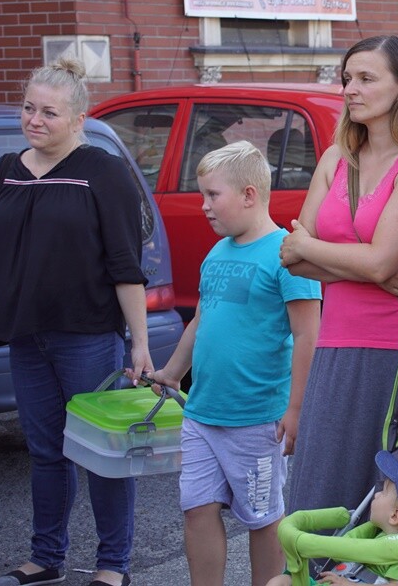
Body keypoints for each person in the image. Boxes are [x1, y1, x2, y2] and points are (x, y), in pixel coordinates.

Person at [0, 59, 151, 586]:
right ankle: (46, 558)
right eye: (28, 108)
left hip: (87, 336)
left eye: (49, 111)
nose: (34, 120)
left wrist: (139, 344)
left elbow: (124, 261)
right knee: (45, 452)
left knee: (103, 453)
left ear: (79, 118)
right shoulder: (7, 170)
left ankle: (114, 565)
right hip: (27, 336)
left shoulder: (102, 170)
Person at [280, 35, 398, 518]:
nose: (349, 90)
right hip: (336, 344)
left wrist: (317, 249)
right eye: (346, 79)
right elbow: (291, 261)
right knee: (318, 492)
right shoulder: (337, 159)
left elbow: (326, 251)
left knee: (383, 504)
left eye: (365, 78)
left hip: (396, 351)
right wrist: (366, 265)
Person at [149, 141, 321, 586]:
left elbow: (308, 335)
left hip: (257, 418)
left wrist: (297, 409)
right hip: (203, 413)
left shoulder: (288, 252)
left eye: (212, 195)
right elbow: (200, 324)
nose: (203, 206)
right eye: (202, 194)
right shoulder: (217, 252)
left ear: (248, 194)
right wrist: (171, 371)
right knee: (197, 508)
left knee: (263, 519)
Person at [268, 451, 398, 586]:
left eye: (384, 492)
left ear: (395, 515)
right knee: (280, 582)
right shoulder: (376, 532)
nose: (376, 494)